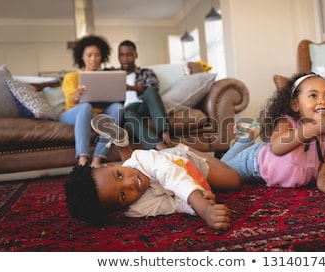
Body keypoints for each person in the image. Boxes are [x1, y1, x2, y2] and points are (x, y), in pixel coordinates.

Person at [64, 114, 241, 230]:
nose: (130, 183)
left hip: (183, 162)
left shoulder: (142, 159)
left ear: (111, 165)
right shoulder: (135, 210)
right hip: (176, 171)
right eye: (123, 195)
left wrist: (205, 211)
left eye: (119, 175)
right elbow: (173, 205)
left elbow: (174, 177)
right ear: (121, 208)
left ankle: (190, 149)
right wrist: (194, 206)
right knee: (228, 169)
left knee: (234, 179)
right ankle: (123, 146)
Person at [221, 72, 325, 199]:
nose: (322, 101)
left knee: (221, 170)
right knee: (217, 175)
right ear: (295, 104)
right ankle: (246, 138)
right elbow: (277, 147)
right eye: (313, 95)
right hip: (250, 162)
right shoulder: (286, 121)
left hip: (264, 172)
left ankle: (247, 137)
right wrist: (319, 126)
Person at [60, 35, 124, 168]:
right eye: (89, 55)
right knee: (85, 107)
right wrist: (76, 96)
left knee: (118, 107)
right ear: (82, 57)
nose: (93, 59)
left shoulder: (106, 77)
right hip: (73, 113)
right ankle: (82, 160)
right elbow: (69, 100)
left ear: (102, 57)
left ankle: (98, 159)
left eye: (97, 55)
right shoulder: (71, 77)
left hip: (96, 114)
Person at [118, 40, 173, 150]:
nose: (125, 58)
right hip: (126, 110)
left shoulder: (145, 72)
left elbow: (154, 87)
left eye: (129, 54)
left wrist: (131, 88)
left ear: (135, 55)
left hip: (143, 106)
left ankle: (165, 133)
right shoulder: (113, 75)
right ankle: (159, 146)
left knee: (151, 91)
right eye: (122, 55)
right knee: (128, 114)